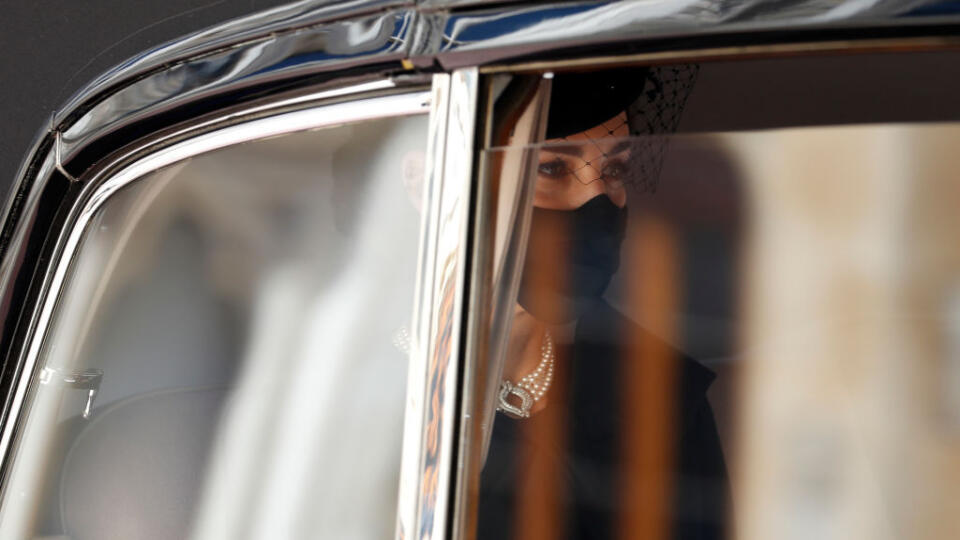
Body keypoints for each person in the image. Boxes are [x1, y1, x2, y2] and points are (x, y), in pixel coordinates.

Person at [478, 67, 729, 539]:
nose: (597, 201)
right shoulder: (359, 366)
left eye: (614, 171)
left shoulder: (661, 396)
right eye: (552, 168)